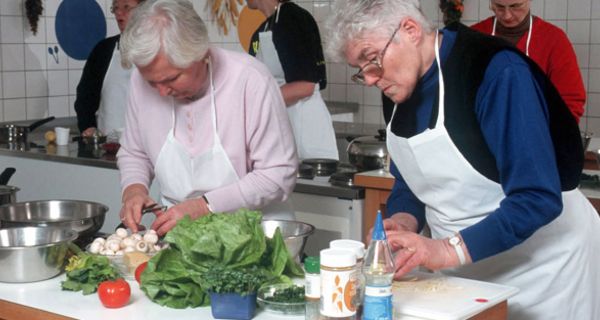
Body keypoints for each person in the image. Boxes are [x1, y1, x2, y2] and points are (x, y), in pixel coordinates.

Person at [324, 0, 600, 319]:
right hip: (468, 276)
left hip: (548, 271)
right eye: (361, 70)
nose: (370, 79)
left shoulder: (494, 72)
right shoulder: (398, 86)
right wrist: (402, 221)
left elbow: (537, 197)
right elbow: (413, 181)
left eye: (371, 59)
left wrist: (444, 249)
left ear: (410, 31)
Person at [117, 0, 298, 236]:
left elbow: (277, 174)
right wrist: (133, 189)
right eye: (152, 83)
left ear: (200, 53)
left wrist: (205, 205)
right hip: (181, 237)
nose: (161, 92)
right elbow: (135, 151)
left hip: (254, 235)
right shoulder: (139, 82)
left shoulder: (250, 80)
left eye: (171, 79)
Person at [246, 0, 339, 161]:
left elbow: (305, 86)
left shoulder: (292, 18)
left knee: (309, 185)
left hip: (305, 128)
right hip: (281, 126)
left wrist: (255, 102)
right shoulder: (262, 31)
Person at [472, 0, 586, 122]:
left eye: (515, 6)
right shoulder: (473, 36)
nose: (507, 15)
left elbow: (571, 101)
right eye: (499, 7)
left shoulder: (554, 40)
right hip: (480, 134)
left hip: (537, 134)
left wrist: (552, 136)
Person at [74, 0, 145, 137]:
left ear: (144, 9)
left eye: (126, 7)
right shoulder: (103, 50)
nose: (119, 12)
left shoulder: (159, 47)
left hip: (149, 148)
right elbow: (85, 96)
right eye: (116, 8)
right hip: (109, 146)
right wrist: (88, 126)